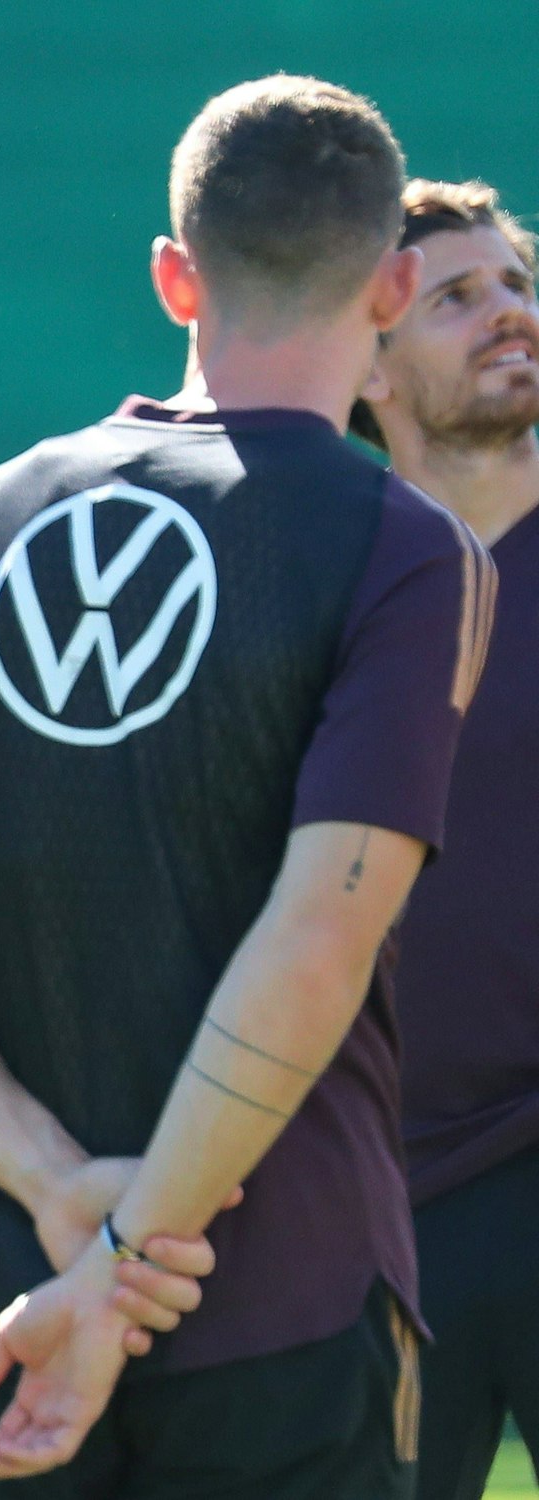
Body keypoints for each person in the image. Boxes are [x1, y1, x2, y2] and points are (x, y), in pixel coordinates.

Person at [0, 74, 490, 1497]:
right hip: (283, 1297)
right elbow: (314, 944)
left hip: (12, 1295)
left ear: (176, 275)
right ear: (396, 282)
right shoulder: (409, 552)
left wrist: (62, 1201)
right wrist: (114, 1276)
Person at [351, 178, 539, 1500]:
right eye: (458, 295)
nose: (510, 314)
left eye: (519, 285)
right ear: (370, 360)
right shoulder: (324, 583)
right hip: (379, 1214)